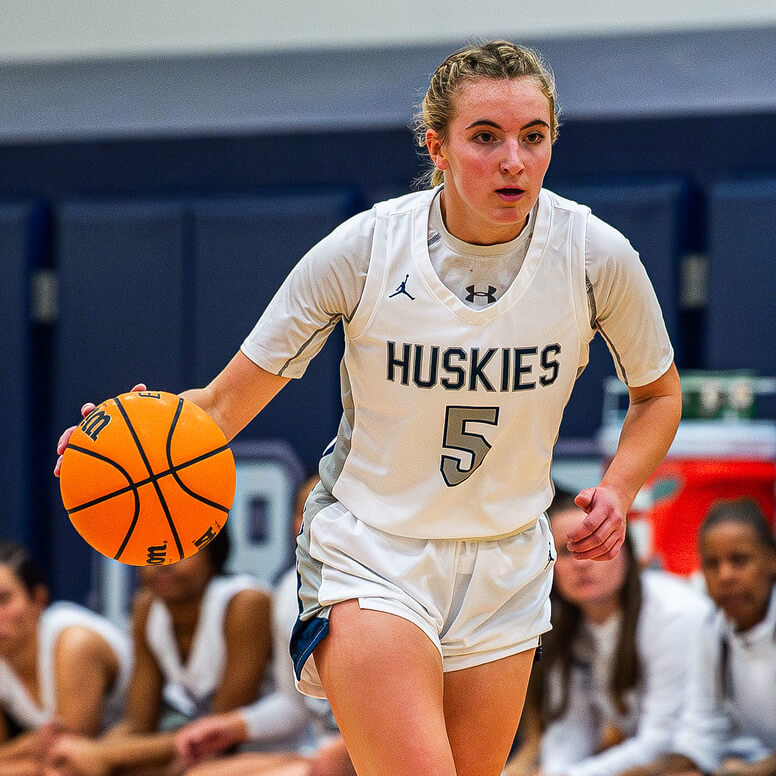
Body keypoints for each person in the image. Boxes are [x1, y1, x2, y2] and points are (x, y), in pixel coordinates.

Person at [56, 40, 682, 776]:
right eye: (485, 137)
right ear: (438, 147)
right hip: (373, 554)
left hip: (507, 559)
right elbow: (221, 406)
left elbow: (658, 394)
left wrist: (620, 487)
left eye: (533, 137)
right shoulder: (363, 251)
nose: (514, 159)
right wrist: (137, 437)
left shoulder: (595, 256)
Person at [503, 488, 707, 776]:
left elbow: (661, 741)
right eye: (566, 551)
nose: (582, 562)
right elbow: (572, 728)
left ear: (628, 550)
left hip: (719, 760)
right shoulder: (567, 626)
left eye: (596, 545)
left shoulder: (673, 613)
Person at [43, 529, 272, 776]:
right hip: (195, 747)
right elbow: (139, 723)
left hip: (265, 748)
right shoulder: (146, 607)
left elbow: (220, 731)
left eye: (180, 550)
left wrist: (102, 754)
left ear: (212, 555)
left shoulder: (245, 603)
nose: (164, 562)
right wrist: (80, 754)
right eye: (154, 550)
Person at [174, 475, 354, 776]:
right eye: (306, 510)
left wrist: (342, 753)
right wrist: (233, 727)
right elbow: (294, 704)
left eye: (333, 507)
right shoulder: (288, 591)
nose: (315, 520)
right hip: (319, 754)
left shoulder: (391, 591)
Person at [625, 497, 776, 776]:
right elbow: (702, 731)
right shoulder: (713, 630)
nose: (726, 575)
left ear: (772, 561)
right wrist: (647, 771)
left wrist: (747, 772)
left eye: (739, 560)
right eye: (712, 564)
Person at [0, 540, 132, 776]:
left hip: (155, 746)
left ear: (38, 599)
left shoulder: (74, 641)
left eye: (3, 600)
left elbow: (68, 756)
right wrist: (29, 744)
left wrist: (18, 753)